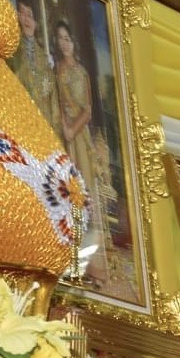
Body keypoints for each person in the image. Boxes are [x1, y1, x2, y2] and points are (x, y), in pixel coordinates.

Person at [50, 18, 106, 276]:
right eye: (60, 39)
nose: (64, 44)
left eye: (67, 39)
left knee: (82, 190)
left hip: (78, 137)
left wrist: (72, 129)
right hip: (61, 134)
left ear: (73, 42)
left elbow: (88, 110)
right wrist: (61, 125)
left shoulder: (80, 72)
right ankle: (65, 256)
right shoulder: (56, 70)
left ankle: (89, 261)